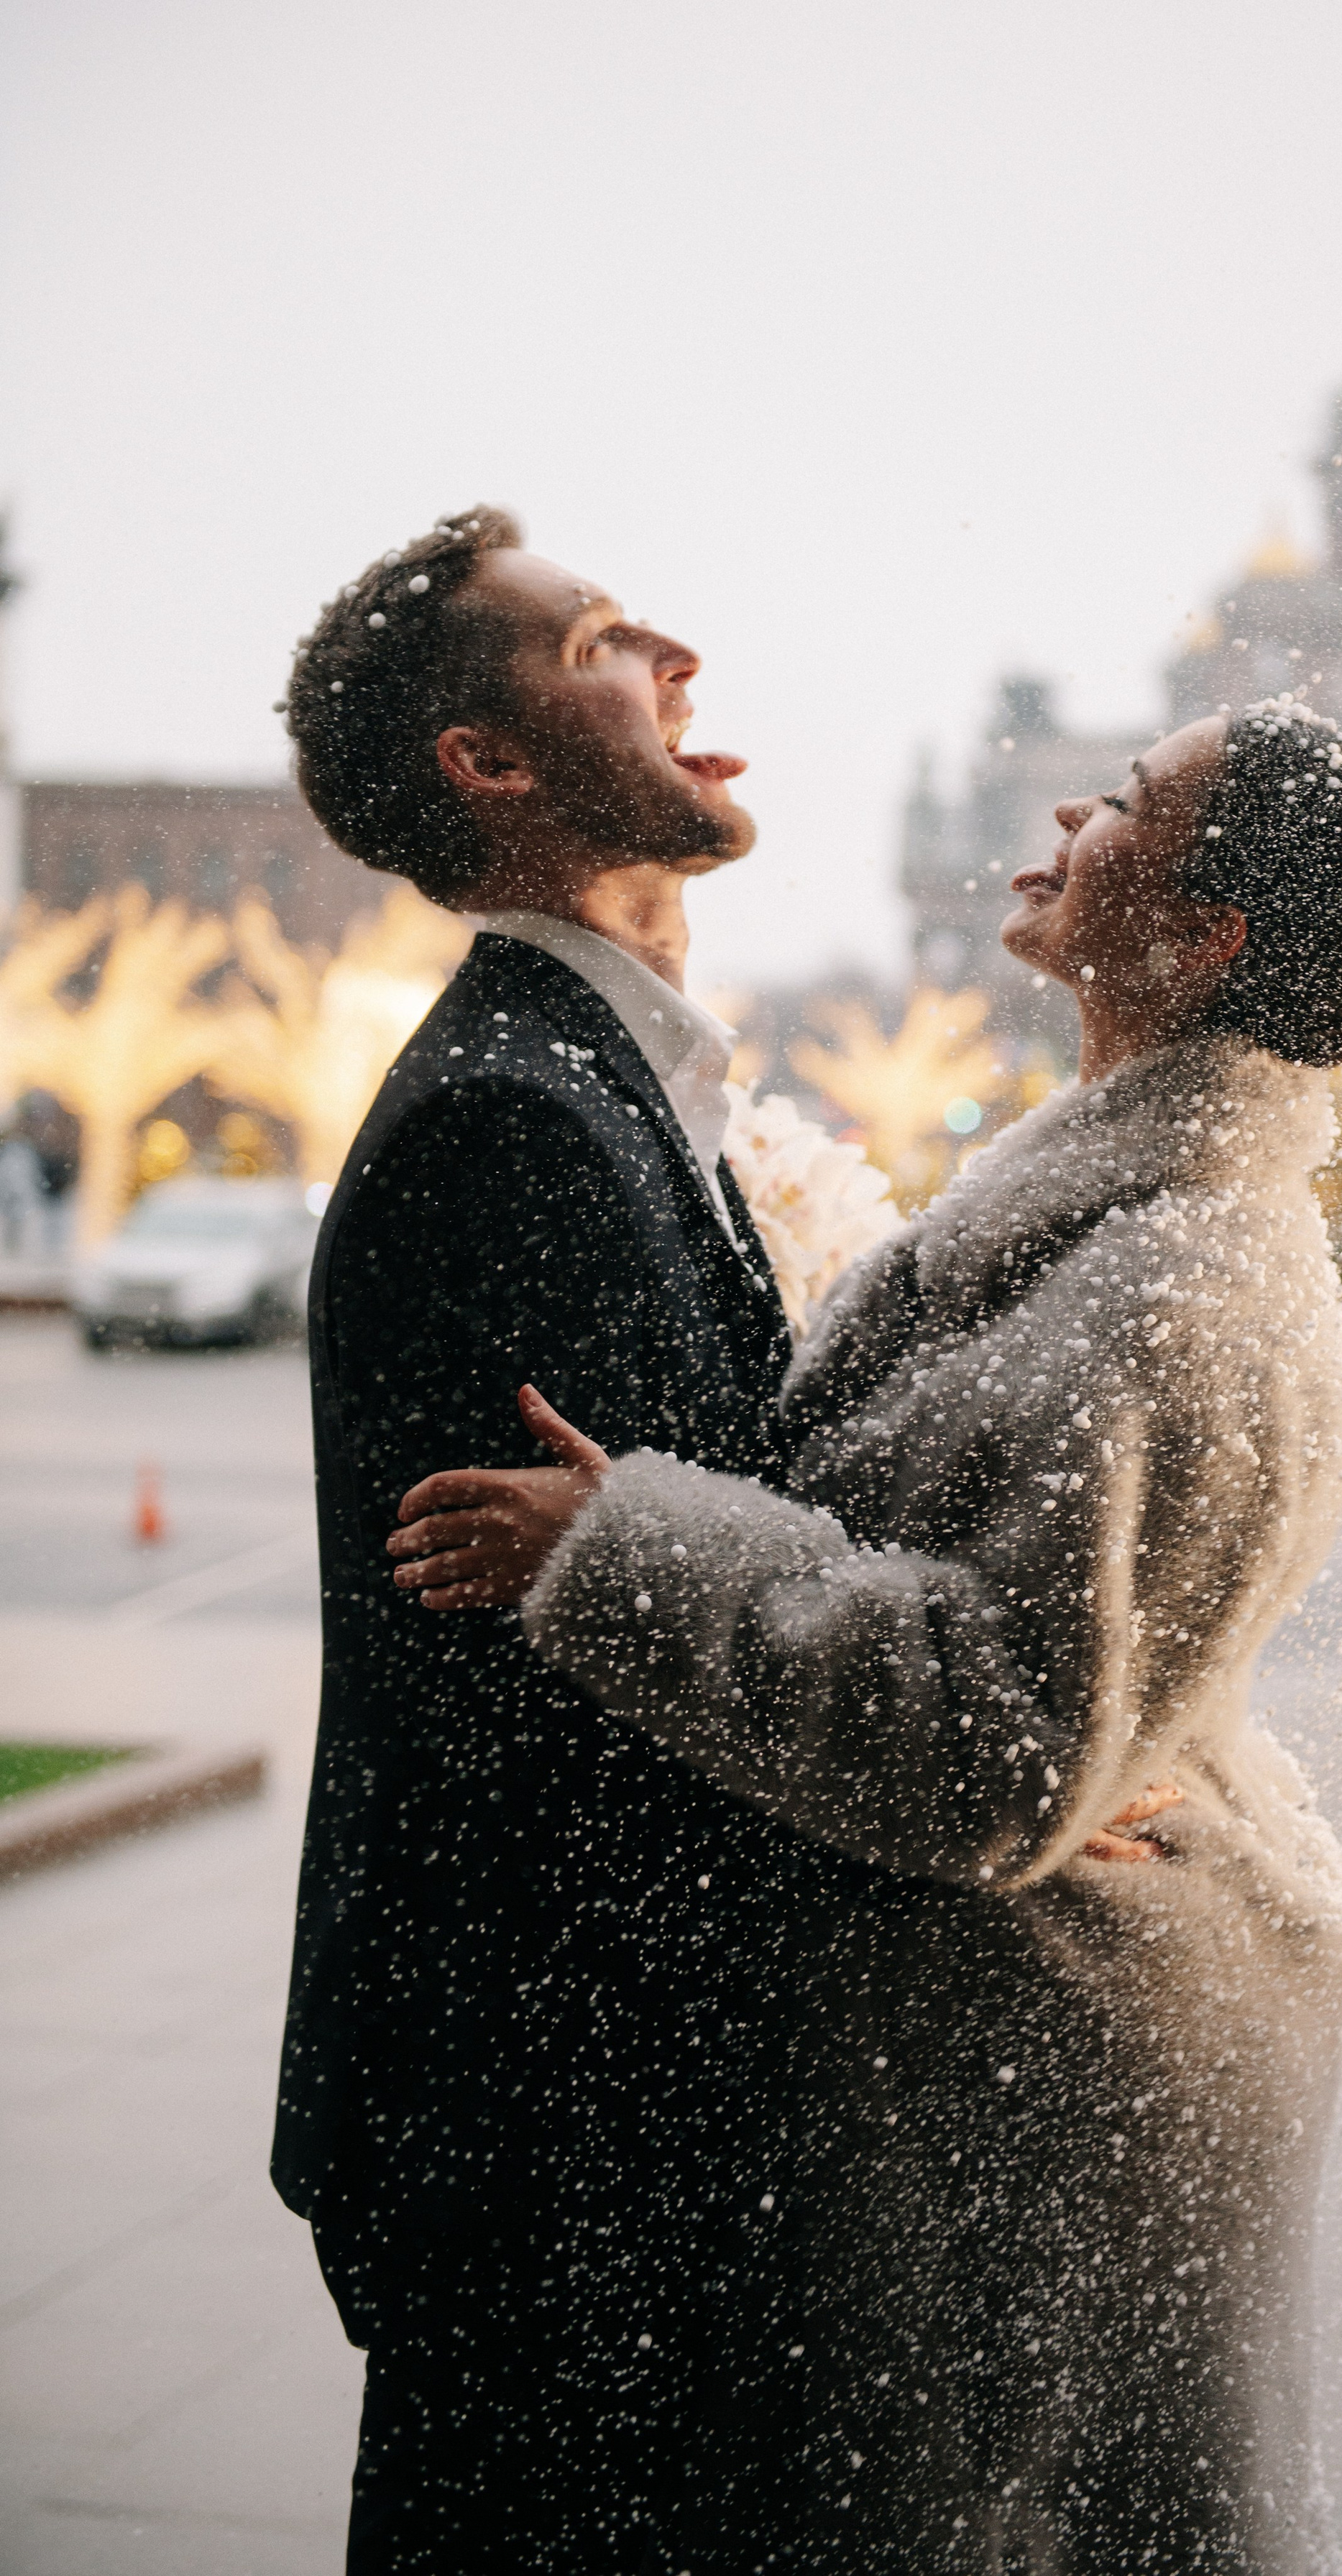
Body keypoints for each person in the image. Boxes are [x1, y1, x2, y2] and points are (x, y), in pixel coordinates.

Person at [388, 699, 1342, 2572]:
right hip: (994, 2062)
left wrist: (626, 1551)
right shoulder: (1107, 1215)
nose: (1074, 806)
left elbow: (1003, 1746)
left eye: (1132, 801)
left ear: (1206, 936)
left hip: (1049, 2102)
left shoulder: (1189, 1286)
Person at [272, 507, 849, 2572]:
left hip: (563, 2105)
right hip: (564, 2121)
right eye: (603, 636)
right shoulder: (520, 1116)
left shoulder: (593, 1075)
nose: (674, 648)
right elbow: (654, 1675)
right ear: (491, 764)